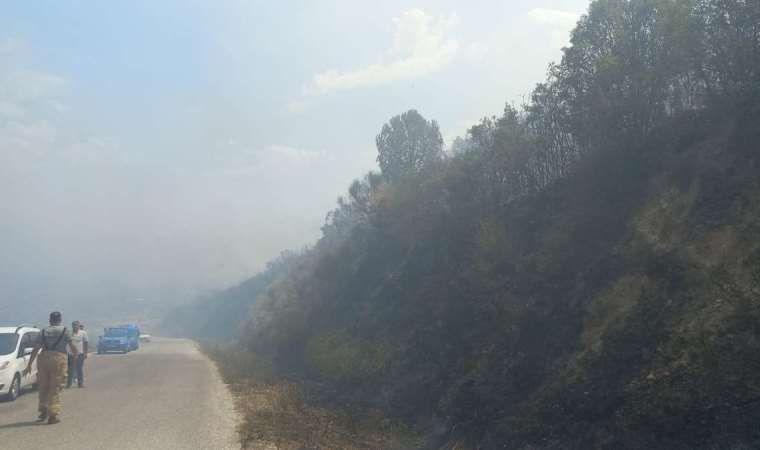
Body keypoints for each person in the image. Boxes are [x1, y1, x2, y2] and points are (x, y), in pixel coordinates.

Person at [23, 311, 78, 425]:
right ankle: (52, 415)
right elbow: (72, 346)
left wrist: (29, 365)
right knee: (55, 387)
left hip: (44, 359)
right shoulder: (64, 331)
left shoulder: (43, 331)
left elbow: (36, 348)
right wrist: (75, 357)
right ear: (60, 320)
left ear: (50, 320)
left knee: (43, 386)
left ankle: (43, 411)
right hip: (59, 359)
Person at [66, 320, 88, 388]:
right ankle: (68, 384)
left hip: (80, 354)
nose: (75, 326)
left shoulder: (83, 333)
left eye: (76, 325)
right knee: (70, 369)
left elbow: (86, 342)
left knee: (79, 369)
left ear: (79, 326)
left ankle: (80, 384)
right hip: (70, 354)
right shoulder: (69, 333)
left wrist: (85, 353)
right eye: (73, 325)